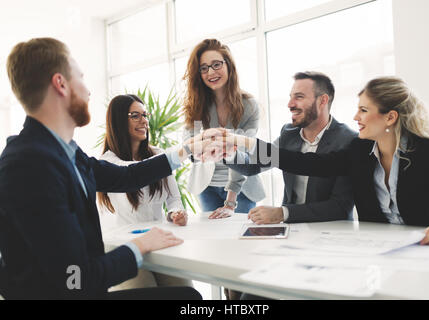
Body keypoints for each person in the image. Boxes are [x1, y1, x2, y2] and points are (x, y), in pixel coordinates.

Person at [0, 37, 210, 299]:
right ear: (61, 84)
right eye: (82, 78)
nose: (88, 91)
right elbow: (74, 279)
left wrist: (189, 150)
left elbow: (129, 176)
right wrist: (139, 246)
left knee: (187, 297)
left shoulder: (67, 153)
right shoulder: (28, 166)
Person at [213, 76, 429, 245]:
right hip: (377, 248)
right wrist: (241, 143)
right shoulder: (359, 151)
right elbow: (310, 163)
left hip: (426, 248)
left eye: (364, 110)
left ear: (390, 117)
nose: (356, 117)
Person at [227, 71, 356, 225]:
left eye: (299, 97)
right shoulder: (289, 133)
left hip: (330, 232)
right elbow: (253, 166)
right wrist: (227, 152)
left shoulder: (348, 140)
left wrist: (283, 213)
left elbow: (340, 207)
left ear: (323, 101)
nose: (290, 104)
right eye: (290, 97)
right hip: (291, 230)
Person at [97, 94, 191, 290]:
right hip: (126, 247)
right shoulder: (108, 161)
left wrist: (175, 212)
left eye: (145, 115)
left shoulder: (158, 154)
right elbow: (131, 173)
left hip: (158, 242)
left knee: (187, 293)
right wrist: (185, 151)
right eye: (135, 116)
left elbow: (173, 197)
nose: (144, 121)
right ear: (118, 121)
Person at [182, 38, 265, 219]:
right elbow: (190, 147)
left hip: (242, 189)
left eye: (216, 64)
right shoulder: (196, 107)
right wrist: (202, 145)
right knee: (213, 242)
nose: (211, 72)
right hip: (206, 187)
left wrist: (230, 201)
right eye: (204, 68)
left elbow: (244, 154)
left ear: (229, 66)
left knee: (242, 240)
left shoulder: (248, 106)